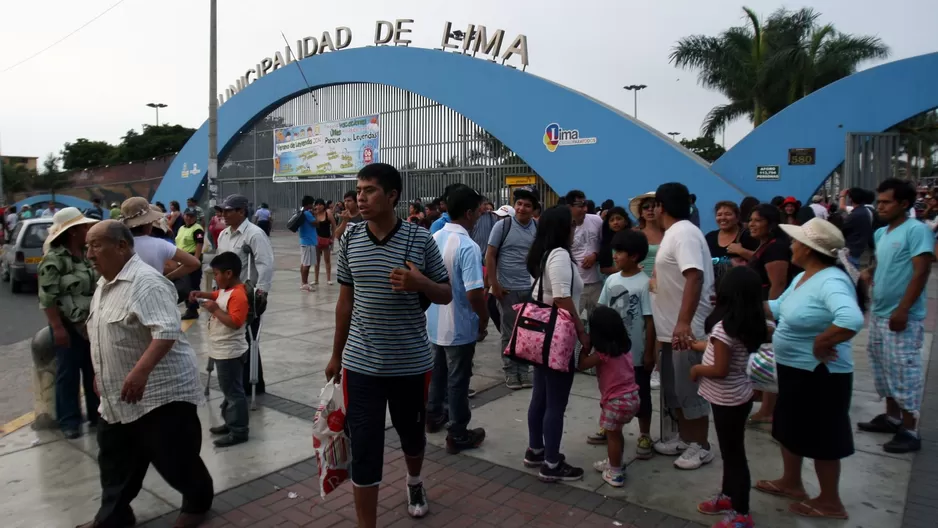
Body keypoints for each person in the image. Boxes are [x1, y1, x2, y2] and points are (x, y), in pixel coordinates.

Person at [324, 163, 452, 528]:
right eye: (358, 190)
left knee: (412, 436)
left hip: (410, 363)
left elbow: (445, 294)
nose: (359, 198)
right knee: (364, 447)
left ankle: (414, 482)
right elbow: (345, 300)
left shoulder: (420, 239)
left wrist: (420, 283)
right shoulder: (350, 238)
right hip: (361, 364)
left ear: (392, 195)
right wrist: (336, 354)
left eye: (369, 190)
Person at [79, 220, 213, 528]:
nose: (89, 254)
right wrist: (101, 375)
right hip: (118, 395)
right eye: (87, 246)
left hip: (159, 392)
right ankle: (113, 516)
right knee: (114, 460)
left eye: (96, 245)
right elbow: (102, 334)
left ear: (123, 246)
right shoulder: (104, 284)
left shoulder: (146, 282)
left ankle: (197, 502)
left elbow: (166, 331)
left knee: (174, 458)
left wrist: (140, 374)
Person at [754, 218, 866, 521]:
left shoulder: (831, 280)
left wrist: (822, 341)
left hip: (821, 375)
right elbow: (779, 308)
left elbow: (851, 319)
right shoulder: (804, 276)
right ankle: (792, 482)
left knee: (823, 437)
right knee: (789, 426)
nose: (791, 245)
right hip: (794, 369)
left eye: (796, 241)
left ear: (808, 248)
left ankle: (830, 501)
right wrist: (742, 300)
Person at [857, 178, 934, 453]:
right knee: (883, 368)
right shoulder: (882, 233)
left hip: (903, 317)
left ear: (904, 204)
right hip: (879, 315)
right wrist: (870, 272)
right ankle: (892, 418)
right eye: (879, 201)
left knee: (904, 371)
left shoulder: (917, 231)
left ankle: (910, 430)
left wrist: (903, 309)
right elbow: (882, 261)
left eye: (886, 202)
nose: (880, 207)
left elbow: (921, 270)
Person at [691, 266, 769, 528]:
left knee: (734, 455)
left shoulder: (726, 327)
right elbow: (717, 345)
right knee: (730, 451)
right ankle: (728, 495)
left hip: (727, 399)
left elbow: (719, 368)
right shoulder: (751, 324)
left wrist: (697, 369)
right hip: (740, 395)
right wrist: (695, 345)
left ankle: (741, 513)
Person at [522, 206, 589, 482]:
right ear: (562, 228)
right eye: (572, 225)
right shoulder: (559, 255)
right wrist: (583, 332)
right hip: (557, 338)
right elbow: (562, 298)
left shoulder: (543, 253)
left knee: (541, 395)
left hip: (542, 335)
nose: (575, 229)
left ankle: (536, 449)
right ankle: (551, 463)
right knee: (555, 402)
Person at [651, 182, 716, 470]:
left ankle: (701, 446)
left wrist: (683, 322)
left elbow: (695, 277)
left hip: (686, 332)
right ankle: (685, 438)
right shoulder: (674, 234)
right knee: (675, 390)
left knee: (691, 392)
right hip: (670, 331)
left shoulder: (685, 233)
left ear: (661, 207)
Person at [425, 185, 489, 453]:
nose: (479, 217)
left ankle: (433, 417)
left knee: (437, 375)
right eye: (478, 212)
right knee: (458, 381)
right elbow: (475, 293)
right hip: (459, 326)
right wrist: (483, 321)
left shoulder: (434, 237)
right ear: (469, 213)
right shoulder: (468, 246)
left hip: (432, 322)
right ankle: (458, 432)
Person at [587, 230, 656, 462]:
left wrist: (649, 352)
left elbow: (649, 320)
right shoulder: (612, 280)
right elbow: (600, 311)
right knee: (608, 391)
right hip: (609, 353)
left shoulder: (645, 284)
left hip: (635, 355)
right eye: (614, 251)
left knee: (641, 395)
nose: (615, 256)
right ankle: (608, 426)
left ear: (635, 256)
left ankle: (644, 434)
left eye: (620, 252)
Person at [38, 208, 100, 439]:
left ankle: (96, 415)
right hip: (67, 326)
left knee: (93, 370)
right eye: (84, 227)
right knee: (68, 374)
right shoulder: (54, 260)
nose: (88, 230)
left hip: (90, 323)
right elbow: (47, 297)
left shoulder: (87, 254)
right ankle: (69, 420)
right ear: (73, 232)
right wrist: (57, 327)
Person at [190, 252, 251, 447]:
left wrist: (215, 310)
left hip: (230, 352)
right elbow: (218, 295)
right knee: (228, 390)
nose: (214, 277)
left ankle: (239, 430)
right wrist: (202, 295)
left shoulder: (239, 295)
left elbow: (235, 322)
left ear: (229, 273)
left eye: (216, 274)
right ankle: (230, 422)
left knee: (234, 393)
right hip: (221, 350)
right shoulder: (226, 289)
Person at [217, 194, 274, 394]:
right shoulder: (223, 235)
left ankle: (252, 384)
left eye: (228, 210)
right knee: (234, 339)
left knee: (249, 339)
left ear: (241, 211)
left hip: (247, 295)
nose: (223, 214)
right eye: (222, 210)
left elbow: (265, 264)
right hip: (227, 294)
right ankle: (247, 383)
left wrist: (261, 293)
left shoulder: (254, 234)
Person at [578, 306, 638, 487]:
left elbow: (581, 365)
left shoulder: (602, 355)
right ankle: (614, 462)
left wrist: (585, 346)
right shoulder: (624, 348)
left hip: (615, 402)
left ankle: (616, 473)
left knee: (612, 437)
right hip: (632, 398)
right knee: (617, 433)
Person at [745, 204, 794, 425]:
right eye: (751, 220)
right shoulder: (765, 246)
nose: (751, 224)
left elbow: (778, 284)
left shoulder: (776, 248)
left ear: (771, 224)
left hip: (770, 310)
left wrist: (770, 318)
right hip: (761, 306)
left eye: (757, 220)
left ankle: (768, 410)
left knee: (769, 359)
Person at [487, 186, 539, 389]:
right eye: (519, 203)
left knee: (527, 332)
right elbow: (490, 255)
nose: (522, 208)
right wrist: (494, 285)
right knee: (509, 333)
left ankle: (524, 372)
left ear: (534, 209)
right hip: (507, 289)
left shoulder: (537, 228)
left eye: (527, 205)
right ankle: (510, 371)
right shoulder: (502, 226)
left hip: (530, 288)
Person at [119, 198, 201, 284]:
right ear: (147, 224)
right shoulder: (161, 245)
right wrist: (165, 279)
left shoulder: (117, 245)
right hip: (153, 292)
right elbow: (195, 263)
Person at [567, 190, 604, 317]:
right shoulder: (564, 226)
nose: (585, 209)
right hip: (576, 286)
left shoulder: (597, 221)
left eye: (585, 204)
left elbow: (605, 245)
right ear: (569, 207)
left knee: (599, 321)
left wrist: (595, 255)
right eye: (580, 206)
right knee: (574, 322)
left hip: (597, 283)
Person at [176, 208, 205, 320]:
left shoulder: (197, 229)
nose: (188, 218)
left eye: (191, 216)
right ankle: (189, 307)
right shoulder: (182, 228)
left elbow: (199, 244)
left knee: (192, 285)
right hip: (182, 259)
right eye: (187, 215)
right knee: (185, 285)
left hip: (191, 258)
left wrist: (196, 260)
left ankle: (192, 309)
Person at [838, 188, 875, 267]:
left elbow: (841, 231)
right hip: (860, 249)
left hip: (851, 251)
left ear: (850, 199)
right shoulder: (866, 211)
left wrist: (842, 196)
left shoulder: (854, 215)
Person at [597, 206, 632, 276]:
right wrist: (622, 269)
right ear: (608, 224)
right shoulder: (606, 243)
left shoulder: (633, 239)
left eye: (618, 219)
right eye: (612, 220)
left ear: (626, 221)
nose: (615, 222)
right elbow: (603, 269)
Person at [313, 198, 336, 285]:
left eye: (320, 204)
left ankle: (328, 279)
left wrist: (333, 238)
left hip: (326, 240)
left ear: (323, 205)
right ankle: (316, 279)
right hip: (316, 240)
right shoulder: (314, 214)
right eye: (317, 204)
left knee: (327, 260)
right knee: (316, 261)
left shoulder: (328, 213)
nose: (318, 206)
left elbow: (334, 225)